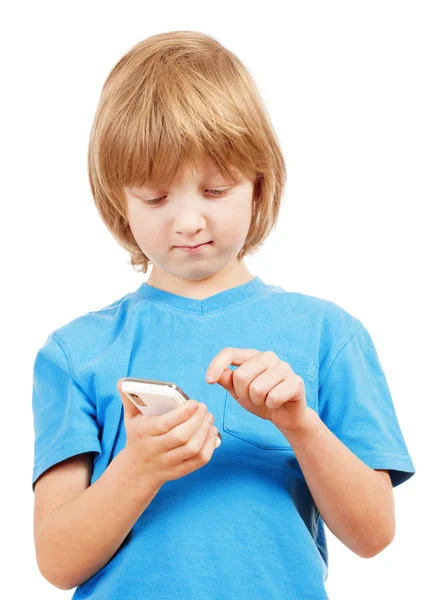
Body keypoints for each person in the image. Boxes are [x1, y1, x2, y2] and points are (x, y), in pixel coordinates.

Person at [31, 30, 416, 600]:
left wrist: (300, 425)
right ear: (119, 198)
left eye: (215, 189)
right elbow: (58, 562)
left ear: (259, 185)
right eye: (156, 198)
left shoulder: (328, 334)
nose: (188, 221)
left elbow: (373, 535)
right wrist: (140, 466)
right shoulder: (76, 352)